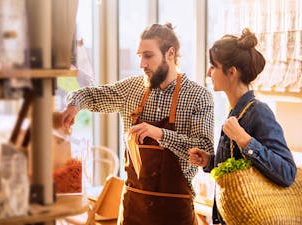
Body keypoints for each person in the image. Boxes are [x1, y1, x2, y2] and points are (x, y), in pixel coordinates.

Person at [61, 23, 214, 225]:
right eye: (139, 56)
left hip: (175, 213)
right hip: (133, 210)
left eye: (148, 56)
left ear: (170, 53)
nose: (142, 63)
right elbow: (91, 94)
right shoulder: (131, 89)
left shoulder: (198, 96)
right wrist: (74, 105)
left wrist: (160, 134)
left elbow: (203, 150)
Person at [188, 28, 297, 225]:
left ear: (231, 72)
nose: (208, 72)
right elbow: (241, 169)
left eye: (213, 66)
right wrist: (209, 162)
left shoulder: (258, 112)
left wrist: (245, 141)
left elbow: (287, 173)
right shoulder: (236, 112)